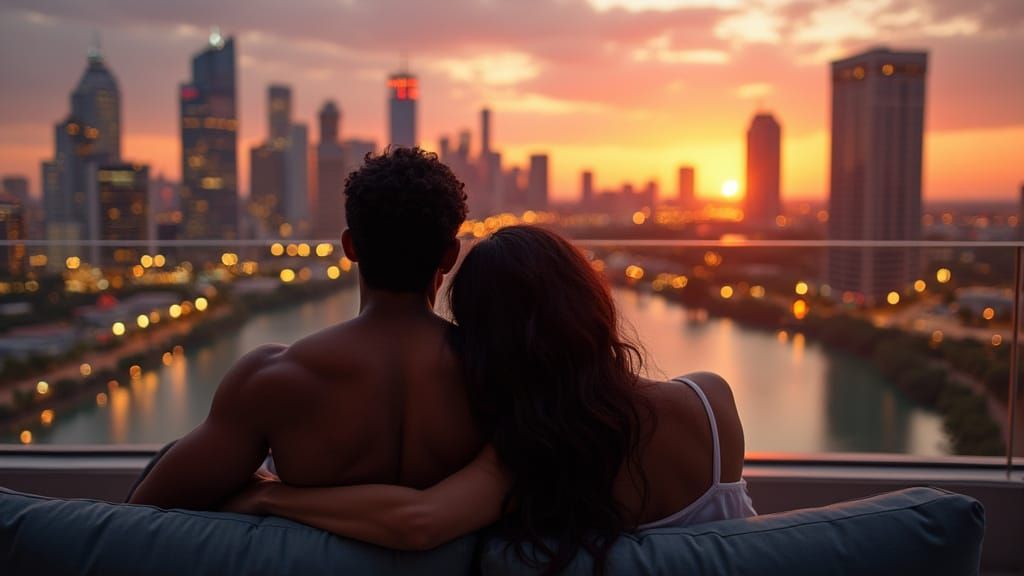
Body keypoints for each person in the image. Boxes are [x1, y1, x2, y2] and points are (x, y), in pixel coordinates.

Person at [225, 225, 755, 574]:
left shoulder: (529, 456)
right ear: (593, 300)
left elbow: (420, 522)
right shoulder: (711, 404)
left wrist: (270, 496)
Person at [129, 147, 482, 509]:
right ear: (450, 255)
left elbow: (138, 516)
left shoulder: (275, 377)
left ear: (350, 247)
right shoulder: (490, 373)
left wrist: (267, 492)